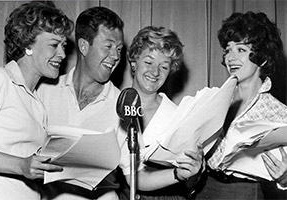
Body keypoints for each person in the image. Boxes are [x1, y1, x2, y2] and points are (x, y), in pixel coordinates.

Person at [37, 7, 203, 200]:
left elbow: (136, 175)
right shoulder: (44, 91)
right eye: (108, 46)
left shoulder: (124, 106)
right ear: (83, 46)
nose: (116, 56)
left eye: (118, 49)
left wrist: (177, 174)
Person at [194, 11, 287, 200]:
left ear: (263, 58)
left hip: (244, 192)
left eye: (241, 50)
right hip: (204, 187)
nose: (230, 58)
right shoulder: (215, 99)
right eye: (228, 50)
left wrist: (284, 179)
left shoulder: (279, 113)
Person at [0, 1, 74, 200]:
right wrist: (22, 165)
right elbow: (23, 166)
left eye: (64, 46)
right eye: (54, 45)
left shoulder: (36, 103)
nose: (62, 54)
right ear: (27, 45)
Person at [117, 26, 204, 200]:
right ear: (134, 61)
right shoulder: (113, 104)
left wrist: (194, 171)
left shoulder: (178, 117)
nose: (155, 72)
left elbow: (191, 182)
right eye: (148, 62)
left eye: (164, 67)